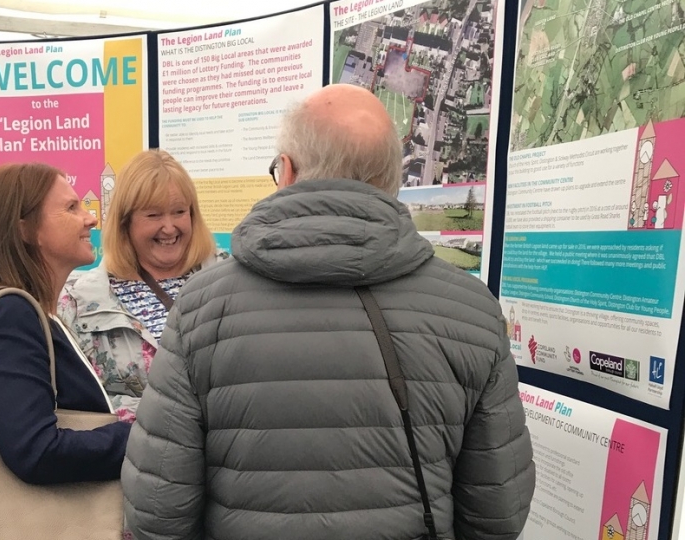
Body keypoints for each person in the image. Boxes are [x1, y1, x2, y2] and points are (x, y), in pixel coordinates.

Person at [122, 84, 535, 540]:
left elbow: (158, 513)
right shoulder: (472, 312)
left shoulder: (201, 310)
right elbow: (498, 512)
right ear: (392, 177)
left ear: (289, 170)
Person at [0, 163, 130, 485]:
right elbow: (35, 450)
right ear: (25, 230)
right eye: (71, 208)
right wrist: (138, 437)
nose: (90, 218)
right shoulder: (10, 315)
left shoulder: (32, 313)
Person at [58, 149, 225, 424]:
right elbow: (75, 401)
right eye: (154, 215)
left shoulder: (228, 280)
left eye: (179, 212)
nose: (169, 227)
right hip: (128, 460)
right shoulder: (77, 301)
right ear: (125, 222)